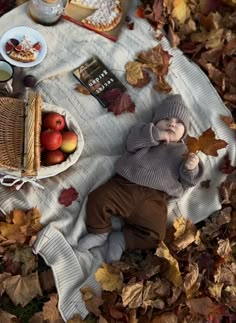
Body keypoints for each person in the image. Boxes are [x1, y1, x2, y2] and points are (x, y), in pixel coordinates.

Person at [78, 94, 204, 262]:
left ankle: (122, 240)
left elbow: (188, 182)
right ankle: (100, 232)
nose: (172, 123)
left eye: (179, 122)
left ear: (185, 132)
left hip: (155, 199)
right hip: (125, 186)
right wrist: (155, 135)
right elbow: (132, 142)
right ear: (156, 121)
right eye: (166, 118)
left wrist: (190, 167)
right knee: (98, 198)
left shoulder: (183, 151)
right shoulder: (147, 133)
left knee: (155, 235)